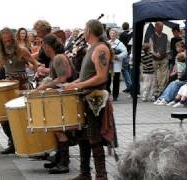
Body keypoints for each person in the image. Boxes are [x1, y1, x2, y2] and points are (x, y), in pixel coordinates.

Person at [65, 19, 113, 180]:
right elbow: (87, 76)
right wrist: (72, 84)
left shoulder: (100, 49)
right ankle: (85, 173)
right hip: (87, 98)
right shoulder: (91, 48)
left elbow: (101, 77)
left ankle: (101, 175)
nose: (83, 33)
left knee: (94, 138)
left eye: (84, 30)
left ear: (89, 31)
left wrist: (78, 86)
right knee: (84, 137)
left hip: (96, 99)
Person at [0, 27, 38, 154]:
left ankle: (26, 142)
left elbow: (34, 62)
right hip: (9, 85)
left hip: (22, 84)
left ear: (12, 39)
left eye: (8, 40)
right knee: (3, 116)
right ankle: (12, 141)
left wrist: (36, 74)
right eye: (4, 40)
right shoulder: (4, 53)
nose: (7, 42)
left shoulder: (22, 50)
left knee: (22, 115)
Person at [37, 34, 77, 174]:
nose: (42, 49)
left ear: (47, 46)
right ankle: (59, 159)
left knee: (60, 130)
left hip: (65, 98)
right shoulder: (56, 58)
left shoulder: (59, 58)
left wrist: (45, 86)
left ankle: (64, 163)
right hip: (63, 97)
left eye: (43, 46)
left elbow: (63, 78)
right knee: (57, 129)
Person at [107, 28, 127, 101]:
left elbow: (125, 52)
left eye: (114, 33)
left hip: (116, 64)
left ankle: (115, 95)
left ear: (116, 35)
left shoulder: (119, 43)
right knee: (107, 80)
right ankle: (108, 93)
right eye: (111, 33)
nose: (112, 35)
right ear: (109, 34)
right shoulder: (107, 42)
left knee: (116, 81)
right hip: (109, 65)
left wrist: (117, 56)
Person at [150, 22, 169, 97]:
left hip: (164, 57)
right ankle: (155, 90)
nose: (161, 29)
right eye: (160, 27)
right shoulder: (152, 36)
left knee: (163, 75)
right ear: (156, 27)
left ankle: (161, 90)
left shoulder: (165, 36)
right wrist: (155, 53)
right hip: (154, 58)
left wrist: (167, 54)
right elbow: (151, 48)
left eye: (162, 27)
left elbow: (167, 46)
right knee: (154, 75)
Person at [119, 22, 133, 93]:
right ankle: (130, 85)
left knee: (124, 70)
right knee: (129, 70)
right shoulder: (131, 34)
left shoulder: (122, 35)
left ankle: (129, 85)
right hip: (130, 53)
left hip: (124, 54)